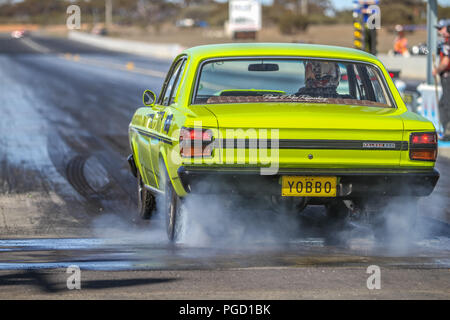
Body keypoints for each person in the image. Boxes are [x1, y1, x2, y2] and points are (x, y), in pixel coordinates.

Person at [433, 19, 450, 139]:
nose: (439, 31)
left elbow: (445, 62)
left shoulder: (447, 43)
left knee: (445, 104)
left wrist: (437, 70)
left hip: (447, 76)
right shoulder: (445, 42)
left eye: (441, 28)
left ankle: (446, 132)